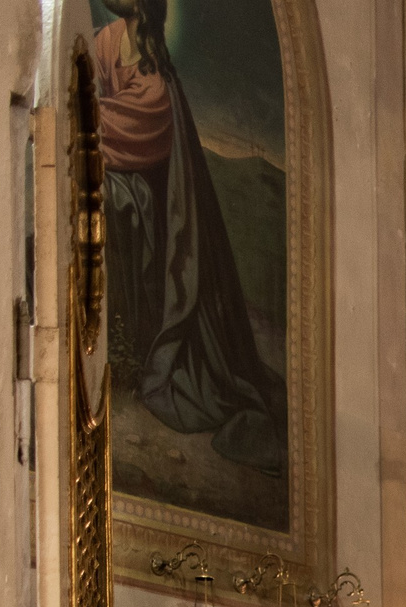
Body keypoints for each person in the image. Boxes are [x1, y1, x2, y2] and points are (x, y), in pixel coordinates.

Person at [90, 0, 287, 472]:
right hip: (120, 177)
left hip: (158, 202)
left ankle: (138, 351)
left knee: (119, 204)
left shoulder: (159, 76)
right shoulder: (106, 41)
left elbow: (140, 129)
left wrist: (92, 120)